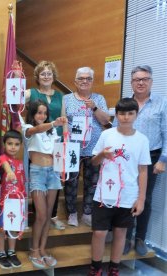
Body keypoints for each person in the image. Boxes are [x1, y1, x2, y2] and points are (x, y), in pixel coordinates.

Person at [89, 98, 151, 276]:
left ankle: (114, 269)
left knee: (120, 232)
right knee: (99, 233)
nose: (125, 117)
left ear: (136, 115)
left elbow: (143, 171)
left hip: (128, 195)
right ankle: (96, 268)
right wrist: (102, 154)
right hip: (104, 194)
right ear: (116, 115)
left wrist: (141, 199)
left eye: (130, 113)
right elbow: (94, 162)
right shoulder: (106, 135)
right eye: (122, 113)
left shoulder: (142, 140)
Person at [113, 65, 167, 256]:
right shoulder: (126, 103)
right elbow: (115, 129)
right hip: (127, 157)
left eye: (145, 79)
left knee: (146, 198)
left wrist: (163, 159)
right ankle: (126, 237)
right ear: (131, 82)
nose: (141, 82)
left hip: (152, 158)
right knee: (127, 196)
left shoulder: (161, 103)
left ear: (151, 81)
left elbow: (166, 133)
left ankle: (140, 238)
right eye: (137, 79)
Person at [22, 100, 67, 269]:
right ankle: (33, 250)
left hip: (53, 172)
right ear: (32, 113)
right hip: (37, 173)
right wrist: (53, 122)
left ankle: (42, 249)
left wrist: (62, 124)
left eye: (44, 113)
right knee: (40, 215)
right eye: (39, 112)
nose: (42, 116)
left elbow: (59, 148)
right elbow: (37, 129)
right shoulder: (27, 128)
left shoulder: (53, 129)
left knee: (48, 214)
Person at [64, 67, 110, 227]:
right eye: (81, 78)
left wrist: (95, 107)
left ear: (92, 81)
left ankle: (88, 213)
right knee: (71, 182)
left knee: (92, 182)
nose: (85, 81)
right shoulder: (67, 99)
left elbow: (105, 121)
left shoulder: (99, 98)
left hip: (94, 149)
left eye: (88, 78)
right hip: (73, 149)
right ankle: (71, 213)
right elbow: (62, 122)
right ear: (75, 81)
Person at [24, 60, 66, 230]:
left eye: (49, 73)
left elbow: (63, 119)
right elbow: (12, 99)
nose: (46, 76)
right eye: (43, 73)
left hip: (56, 141)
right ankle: (39, 217)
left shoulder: (60, 96)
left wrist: (66, 140)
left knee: (55, 182)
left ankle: (52, 215)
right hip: (36, 144)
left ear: (53, 76)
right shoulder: (31, 93)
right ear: (38, 77)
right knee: (38, 182)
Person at [0, 130, 26, 269]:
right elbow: (6, 165)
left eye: (16, 144)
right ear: (4, 144)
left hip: (17, 201)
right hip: (4, 201)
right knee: (2, 228)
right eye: (10, 144)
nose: (13, 147)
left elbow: (22, 183)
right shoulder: (2, 158)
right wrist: (10, 172)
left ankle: (11, 252)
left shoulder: (20, 162)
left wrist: (23, 199)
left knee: (13, 227)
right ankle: (1, 253)